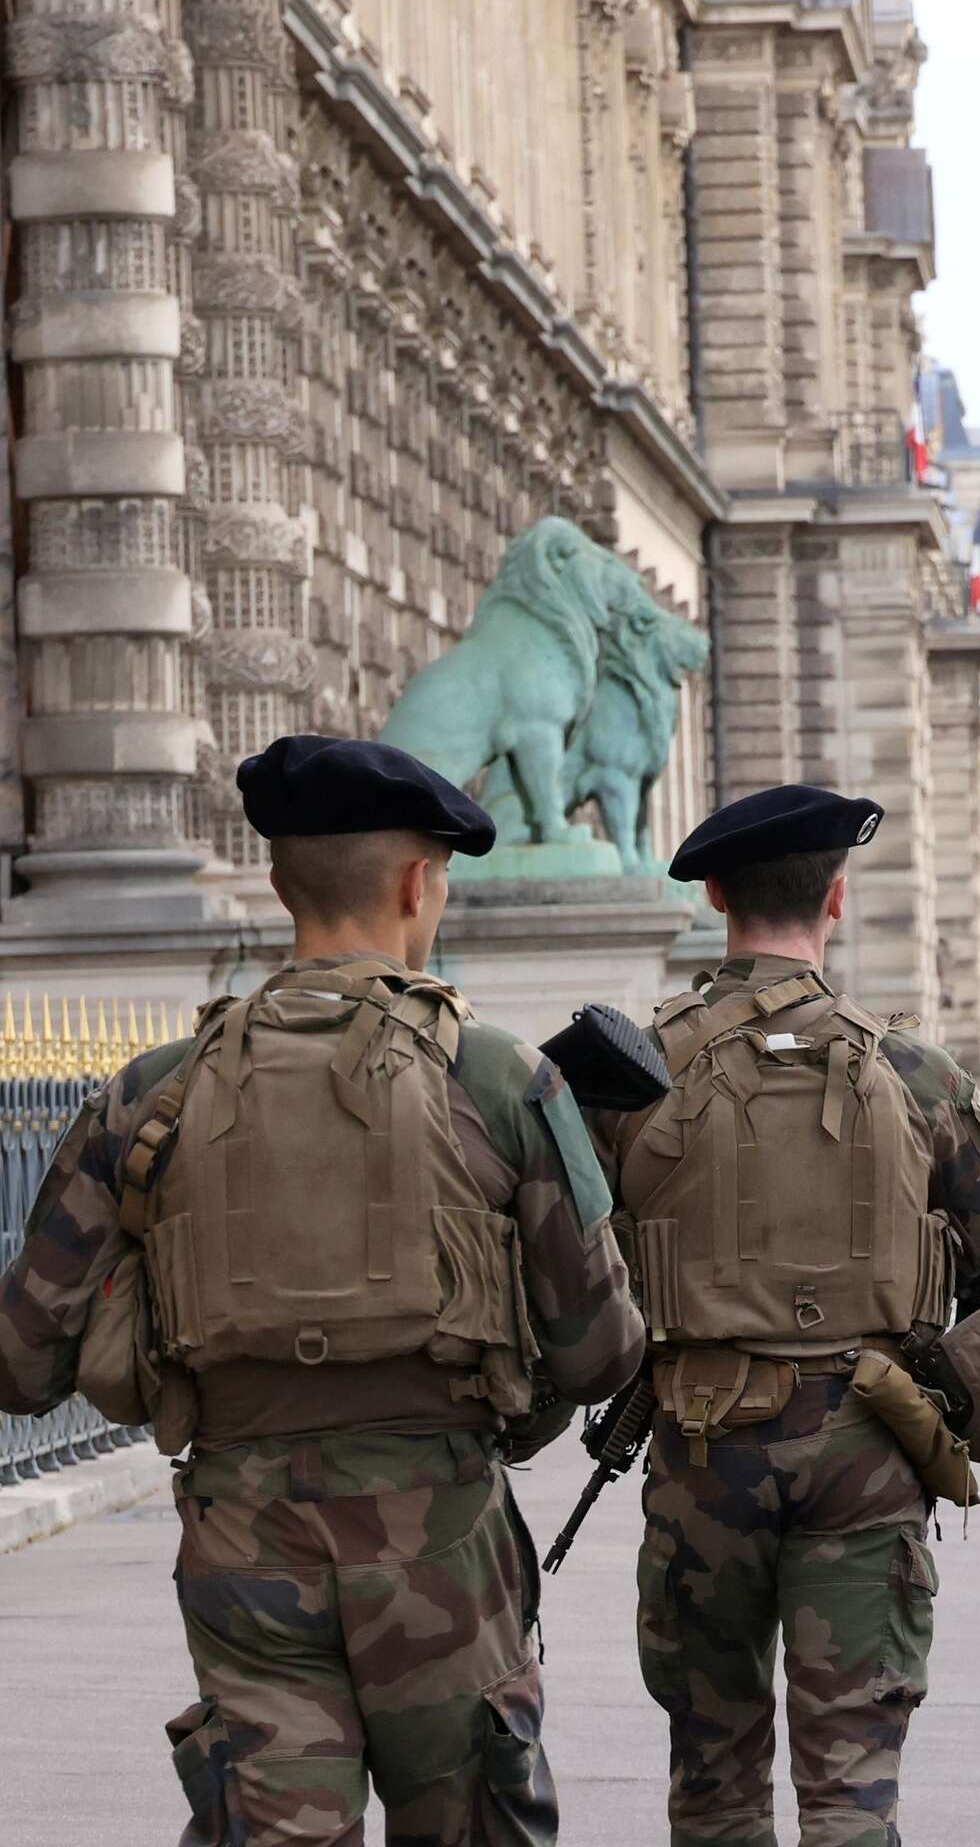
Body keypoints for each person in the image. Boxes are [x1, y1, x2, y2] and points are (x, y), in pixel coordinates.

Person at [0, 735, 645, 1844]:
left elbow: (20, 1360)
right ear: (416, 883)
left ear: (276, 880)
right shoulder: (500, 1081)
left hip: (243, 1532)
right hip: (440, 1532)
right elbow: (599, 1350)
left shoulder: (152, 1093)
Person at [619, 782, 980, 1846]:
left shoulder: (632, 1070)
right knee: (853, 1786)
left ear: (713, 893)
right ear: (837, 897)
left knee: (713, 1775)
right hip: (867, 1442)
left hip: (702, 1449)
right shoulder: (915, 1072)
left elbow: (567, 1270)